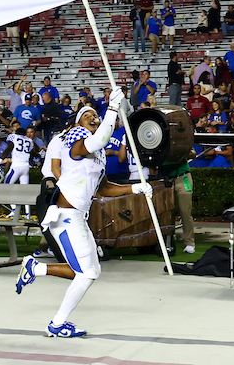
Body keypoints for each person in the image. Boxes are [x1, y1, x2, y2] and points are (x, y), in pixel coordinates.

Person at [14, 88, 152, 338]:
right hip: (66, 215)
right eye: (88, 115)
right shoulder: (76, 142)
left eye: (95, 116)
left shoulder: (96, 155)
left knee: (90, 270)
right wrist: (110, 109)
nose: (93, 117)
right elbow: (98, 139)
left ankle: (36, 268)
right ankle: (57, 323)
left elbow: (104, 188)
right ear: (78, 122)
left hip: (78, 216)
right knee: (86, 273)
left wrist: (136, 187)